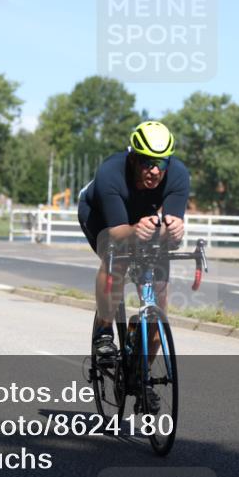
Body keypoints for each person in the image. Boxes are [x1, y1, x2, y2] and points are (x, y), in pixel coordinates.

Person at [77, 121, 190, 374]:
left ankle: (141, 375)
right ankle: (105, 331)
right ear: (133, 159)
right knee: (115, 259)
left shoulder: (179, 175)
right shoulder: (110, 172)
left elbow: (168, 235)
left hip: (144, 219)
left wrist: (175, 231)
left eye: (160, 163)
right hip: (102, 217)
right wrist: (136, 230)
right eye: (146, 162)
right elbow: (118, 233)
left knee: (159, 307)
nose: (154, 170)